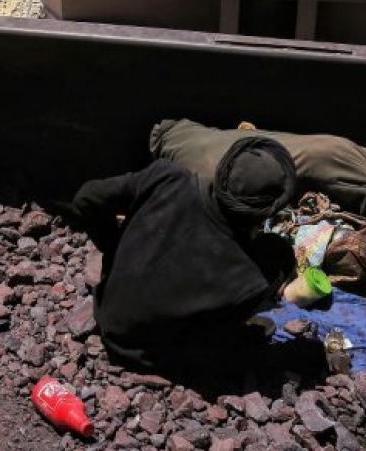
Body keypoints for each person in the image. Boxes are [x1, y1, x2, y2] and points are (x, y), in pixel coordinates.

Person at [70, 137, 298, 371]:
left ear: (223, 170)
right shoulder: (250, 278)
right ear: (266, 212)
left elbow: (86, 198)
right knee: (273, 266)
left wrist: (115, 249)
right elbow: (212, 335)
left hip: (107, 310)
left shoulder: (167, 178)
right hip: (144, 353)